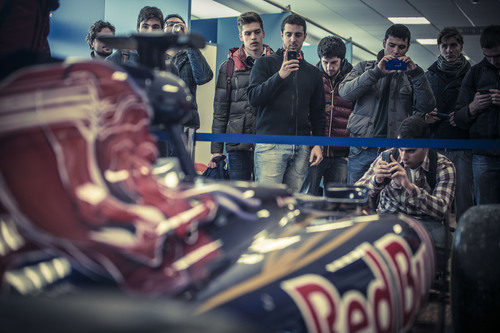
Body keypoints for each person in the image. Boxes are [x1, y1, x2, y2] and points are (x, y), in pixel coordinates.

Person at [339, 24, 435, 184]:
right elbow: (345, 93)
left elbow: (427, 106)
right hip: (362, 146)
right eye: (392, 45)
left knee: (390, 198)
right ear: (384, 43)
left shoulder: (413, 74)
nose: (396, 51)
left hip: (394, 149)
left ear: (408, 47)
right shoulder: (364, 67)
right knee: (357, 194)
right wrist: (376, 73)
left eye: (401, 47)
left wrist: (416, 74)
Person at [355, 115, 455, 255]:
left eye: (410, 151)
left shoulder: (443, 166)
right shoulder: (387, 157)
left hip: (425, 222)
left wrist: (408, 186)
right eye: (401, 149)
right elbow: (356, 195)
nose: (403, 157)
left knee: (441, 242)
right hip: (388, 218)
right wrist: (376, 181)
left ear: (426, 147)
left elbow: (441, 209)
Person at [247, 14, 325, 192]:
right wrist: (279, 76)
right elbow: (253, 98)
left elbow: (318, 112)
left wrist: (318, 144)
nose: (293, 39)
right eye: (288, 34)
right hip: (270, 144)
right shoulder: (264, 64)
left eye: (298, 35)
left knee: (293, 202)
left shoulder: (313, 73)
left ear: (304, 37)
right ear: (281, 35)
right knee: (267, 200)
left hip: (301, 146)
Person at [209, 12, 273, 180]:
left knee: (266, 195)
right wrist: (216, 150)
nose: (253, 37)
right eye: (248, 33)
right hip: (237, 143)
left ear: (263, 33)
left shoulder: (276, 64)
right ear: (241, 36)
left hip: (268, 141)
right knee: (239, 195)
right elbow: (220, 110)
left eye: (257, 32)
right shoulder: (229, 66)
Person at [424, 27, 473, 220]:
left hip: (462, 141)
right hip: (436, 140)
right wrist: (426, 117)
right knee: (436, 195)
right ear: (439, 48)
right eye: (444, 46)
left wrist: (464, 115)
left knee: (464, 194)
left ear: (460, 47)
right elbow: (420, 106)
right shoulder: (430, 74)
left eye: (453, 45)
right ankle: (438, 237)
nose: (449, 50)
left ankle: (466, 237)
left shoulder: (472, 73)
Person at [455, 25, 500, 205]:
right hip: (484, 154)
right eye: (488, 56)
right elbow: (458, 118)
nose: (493, 61)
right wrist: (473, 107)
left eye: (498, 56)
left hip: (484, 153)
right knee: (484, 211)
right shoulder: (474, 73)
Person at [305, 36, 353, 195]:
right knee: (307, 197)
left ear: (342, 60)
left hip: (341, 153)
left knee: (336, 202)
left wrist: (350, 152)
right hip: (314, 150)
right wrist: (316, 110)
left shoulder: (353, 80)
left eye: (334, 63)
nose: (329, 67)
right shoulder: (311, 77)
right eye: (325, 62)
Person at [163, 14, 213, 130]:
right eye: (169, 24)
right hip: (162, 121)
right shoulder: (157, 55)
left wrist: (189, 42)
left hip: (186, 123)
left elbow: (204, 78)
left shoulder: (190, 55)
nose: (174, 28)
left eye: (178, 25)